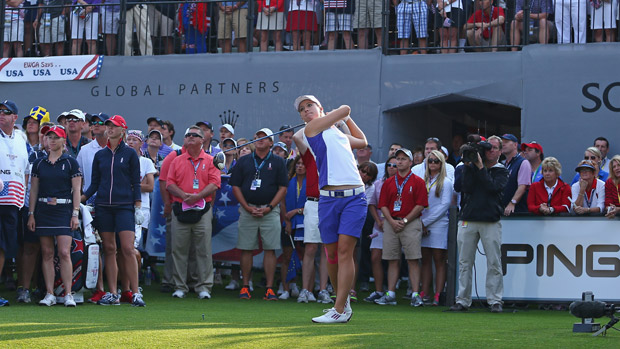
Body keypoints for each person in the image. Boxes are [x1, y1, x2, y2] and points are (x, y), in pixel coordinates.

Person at [296, 95, 368, 323]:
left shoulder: (337, 134)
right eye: (302, 109)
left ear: (320, 108)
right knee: (332, 254)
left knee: (345, 252)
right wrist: (341, 114)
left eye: (310, 106)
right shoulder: (312, 129)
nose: (306, 110)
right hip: (328, 199)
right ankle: (343, 304)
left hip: (354, 197)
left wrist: (347, 120)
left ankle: (338, 309)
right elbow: (345, 107)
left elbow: (362, 141)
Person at [82, 115, 145, 307]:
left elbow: (136, 182)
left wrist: (138, 206)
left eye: (113, 126)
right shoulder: (100, 155)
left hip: (125, 207)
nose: (109, 128)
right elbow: (94, 184)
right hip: (104, 207)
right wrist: (80, 199)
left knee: (127, 249)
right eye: (108, 126)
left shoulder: (131, 154)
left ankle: (135, 293)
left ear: (122, 130)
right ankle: (112, 293)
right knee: (109, 249)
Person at [450, 135, 508, 313]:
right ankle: (462, 300)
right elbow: (462, 187)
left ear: (500, 151)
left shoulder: (501, 170)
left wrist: (481, 167)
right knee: (464, 261)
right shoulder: (468, 167)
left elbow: (492, 188)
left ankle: (495, 300)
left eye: (494, 148)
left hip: (490, 220)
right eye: (487, 148)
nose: (490, 151)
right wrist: (468, 165)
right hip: (468, 218)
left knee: (494, 262)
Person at [230, 128, 288, 301]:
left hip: (269, 212)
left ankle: (269, 289)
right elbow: (235, 186)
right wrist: (247, 207)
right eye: (257, 137)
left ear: (271, 142)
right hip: (248, 211)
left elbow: (283, 188)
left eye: (264, 138)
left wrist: (270, 207)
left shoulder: (278, 162)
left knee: (270, 249)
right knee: (246, 248)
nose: (260, 140)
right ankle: (245, 286)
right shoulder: (244, 161)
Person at [27, 126, 82, 307]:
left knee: (64, 252)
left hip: (64, 210)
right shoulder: (39, 163)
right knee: (47, 253)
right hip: (43, 210)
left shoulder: (71, 162)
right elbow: (33, 190)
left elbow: (76, 190)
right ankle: (49, 294)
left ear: (62, 141)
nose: (51, 140)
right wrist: (31, 214)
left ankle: (68, 294)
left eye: (55, 137)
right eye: (49, 137)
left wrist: (75, 214)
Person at [166, 126, 221, 299]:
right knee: (179, 249)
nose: (189, 137)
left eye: (194, 135)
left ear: (202, 140)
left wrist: (197, 196)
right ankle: (180, 286)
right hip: (180, 208)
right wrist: (184, 195)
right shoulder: (177, 159)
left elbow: (215, 183)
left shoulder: (211, 160)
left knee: (203, 249)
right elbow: (169, 183)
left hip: (203, 210)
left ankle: (203, 287)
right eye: (187, 135)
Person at [375, 148, 427, 307]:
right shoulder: (389, 182)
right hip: (392, 223)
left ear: (411, 162)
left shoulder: (418, 181)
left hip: (410, 223)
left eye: (404, 159)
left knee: (413, 259)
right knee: (392, 259)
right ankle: (390, 294)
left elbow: (421, 205)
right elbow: (382, 204)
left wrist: (404, 221)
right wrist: (391, 221)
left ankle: (415, 294)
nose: (400, 161)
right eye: (398, 158)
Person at [292, 122, 331, 304]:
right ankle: (305, 290)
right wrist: (311, 123)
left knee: (325, 249)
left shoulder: (335, 155)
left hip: (330, 203)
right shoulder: (310, 157)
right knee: (310, 248)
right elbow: (297, 137)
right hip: (313, 204)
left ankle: (322, 289)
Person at [0, 100, 30, 307]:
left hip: (13, 203)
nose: (1, 114)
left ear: (15, 117)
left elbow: (25, 170)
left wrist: (22, 197)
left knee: (3, 248)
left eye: (6, 112)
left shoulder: (20, 138)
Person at [420, 150, 452, 306]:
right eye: (430, 161)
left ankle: (439, 293)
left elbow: (445, 205)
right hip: (422, 222)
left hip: (439, 223)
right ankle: (424, 292)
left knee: (439, 260)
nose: (432, 163)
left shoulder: (446, 181)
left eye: (436, 161)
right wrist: (421, 221)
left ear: (441, 163)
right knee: (425, 260)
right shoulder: (423, 180)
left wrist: (426, 222)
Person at [364, 156, 397, 302]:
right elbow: (372, 204)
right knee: (375, 257)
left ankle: (391, 292)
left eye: (395, 165)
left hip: (396, 225)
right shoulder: (378, 183)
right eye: (389, 164)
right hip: (379, 225)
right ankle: (378, 291)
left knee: (393, 258)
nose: (391, 167)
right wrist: (379, 221)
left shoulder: (403, 183)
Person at [280, 155, 307, 300]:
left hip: (305, 223)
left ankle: (303, 288)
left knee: (305, 256)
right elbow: (282, 203)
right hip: (289, 222)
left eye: (303, 164)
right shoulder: (288, 182)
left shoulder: (312, 183)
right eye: (298, 164)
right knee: (287, 256)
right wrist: (287, 221)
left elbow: (313, 203)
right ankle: (285, 288)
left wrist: (298, 211)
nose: (300, 166)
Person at [356, 161, 377, 295]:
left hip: (362, 220)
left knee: (363, 250)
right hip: (347, 218)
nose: (363, 175)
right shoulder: (349, 180)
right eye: (362, 171)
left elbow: (364, 203)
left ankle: (363, 279)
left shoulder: (371, 187)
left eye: (367, 174)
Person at [500, 134, 531, 215]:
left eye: (506, 142)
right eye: (501, 142)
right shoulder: (503, 164)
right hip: (504, 210)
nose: (503, 144)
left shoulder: (523, 162)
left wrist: (512, 202)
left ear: (515, 145)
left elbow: (523, 186)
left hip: (517, 211)